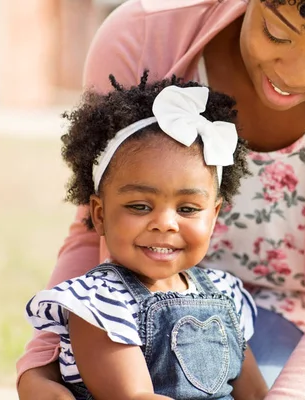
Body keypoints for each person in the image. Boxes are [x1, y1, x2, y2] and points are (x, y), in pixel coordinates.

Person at [17, 0, 305, 399]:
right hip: (139, 306)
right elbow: (93, 226)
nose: (295, 73)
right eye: (278, 33)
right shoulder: (143, 38)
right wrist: (40, 367)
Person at [23, 74, 267, 400]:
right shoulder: (100, 303)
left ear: (214, 216)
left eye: (189, 208)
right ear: (99, 215)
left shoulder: (226, 293)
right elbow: (134, 396)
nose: (165, 223)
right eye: (139, 206)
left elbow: (255, 395)